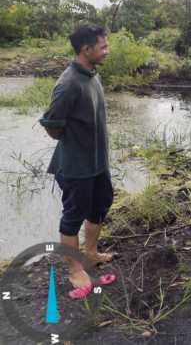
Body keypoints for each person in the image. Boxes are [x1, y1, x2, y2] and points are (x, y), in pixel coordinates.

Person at [40, 24, 116, 299]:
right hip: (75, 166)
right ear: (86, 49)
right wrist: (71, 140)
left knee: (101, 204)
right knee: (73, 215)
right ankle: (74, 269)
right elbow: (51, 124)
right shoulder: (68, 83)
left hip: (97, 163)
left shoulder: (92, 75)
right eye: (103, 46)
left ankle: (91, 253)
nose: (107, 51)